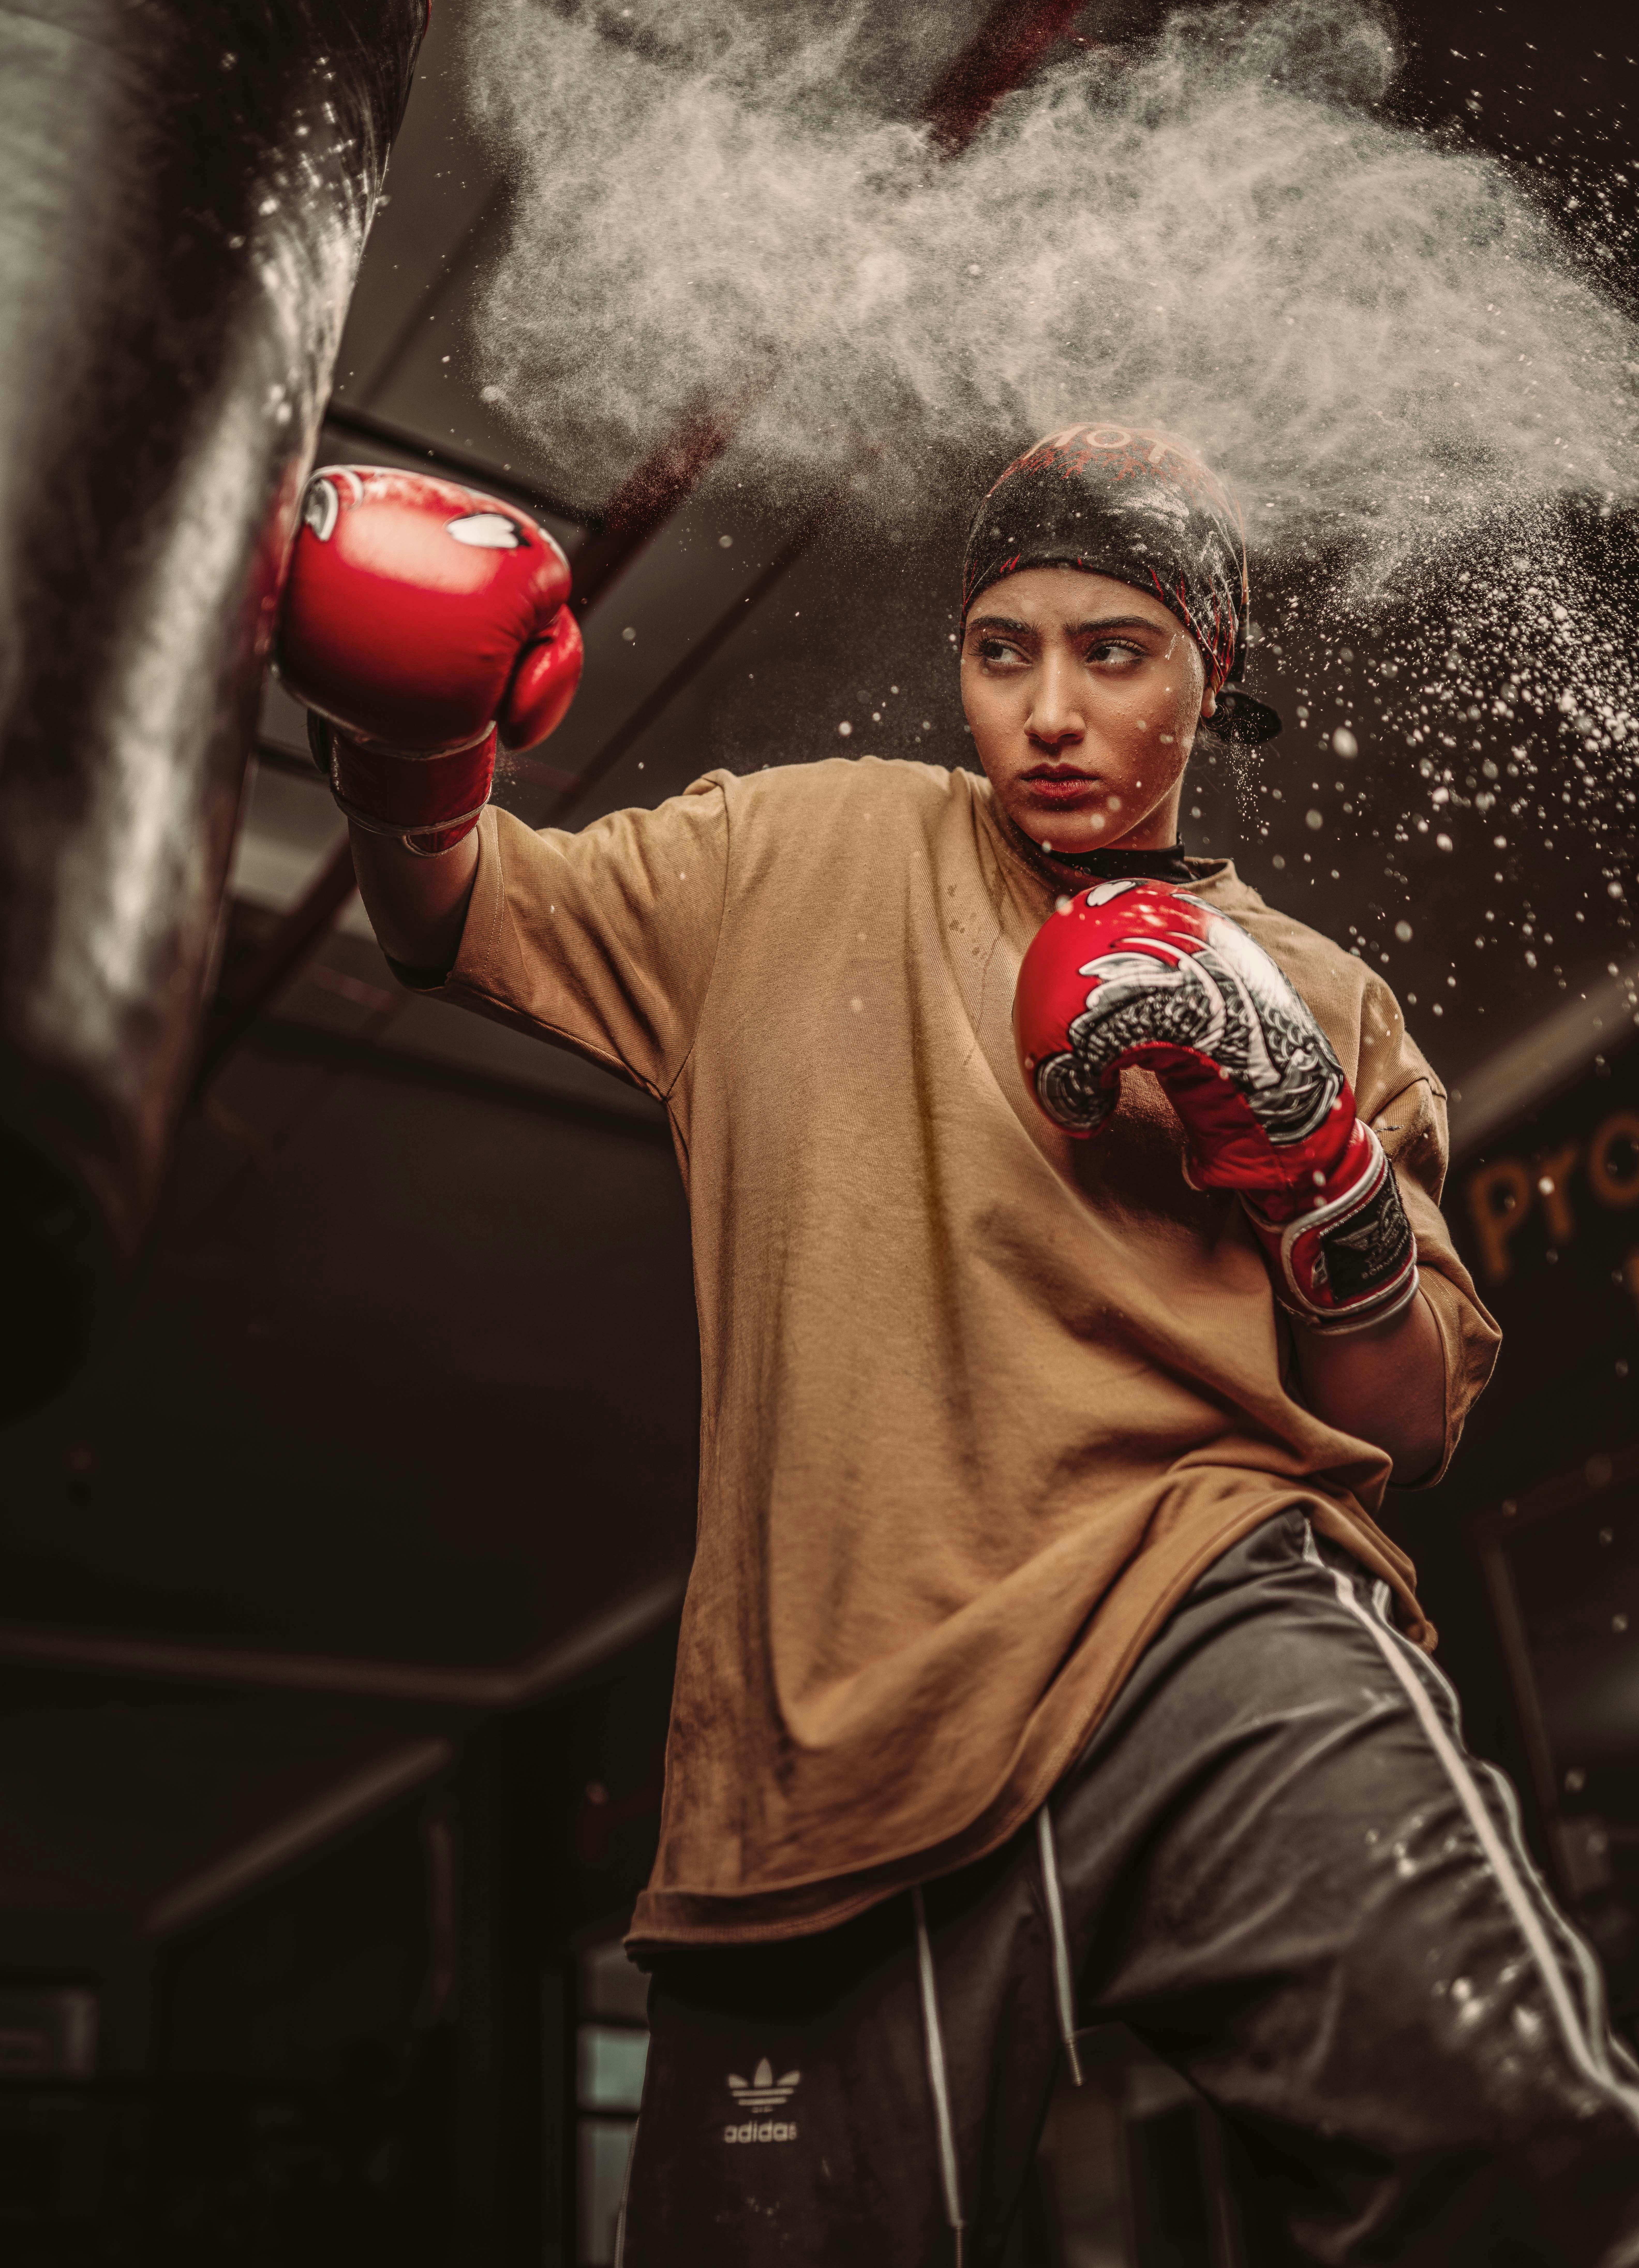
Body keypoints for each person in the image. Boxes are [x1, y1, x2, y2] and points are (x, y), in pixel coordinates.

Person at [277, 431, 1639, 2266]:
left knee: (1525, 2156)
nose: (1051, 711)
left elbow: (1402, 1425)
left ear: (1208, 672)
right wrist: (405, 735)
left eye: (1115, 651)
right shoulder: (794, 853)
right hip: (833, 1712)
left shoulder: (1324, 992)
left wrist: (1320, 1183)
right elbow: (453, 904)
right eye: (1004, 651)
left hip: (1207, 1618)